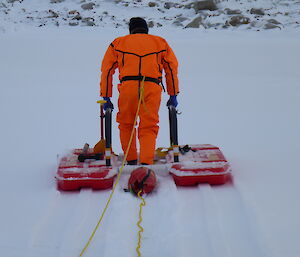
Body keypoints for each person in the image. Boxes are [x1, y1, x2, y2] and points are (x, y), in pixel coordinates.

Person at [99, 17, 179, 165]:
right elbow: (171, 68)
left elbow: (107, 70)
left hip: (128, 88)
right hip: (151, 87)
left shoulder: (118, 43)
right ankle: (146, 163)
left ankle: (131, 160)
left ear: (130, 30)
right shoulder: (160, 42)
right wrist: (173, 94)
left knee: (126, 124)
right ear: (146, 29)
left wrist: (106, 96)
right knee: (148, 126)